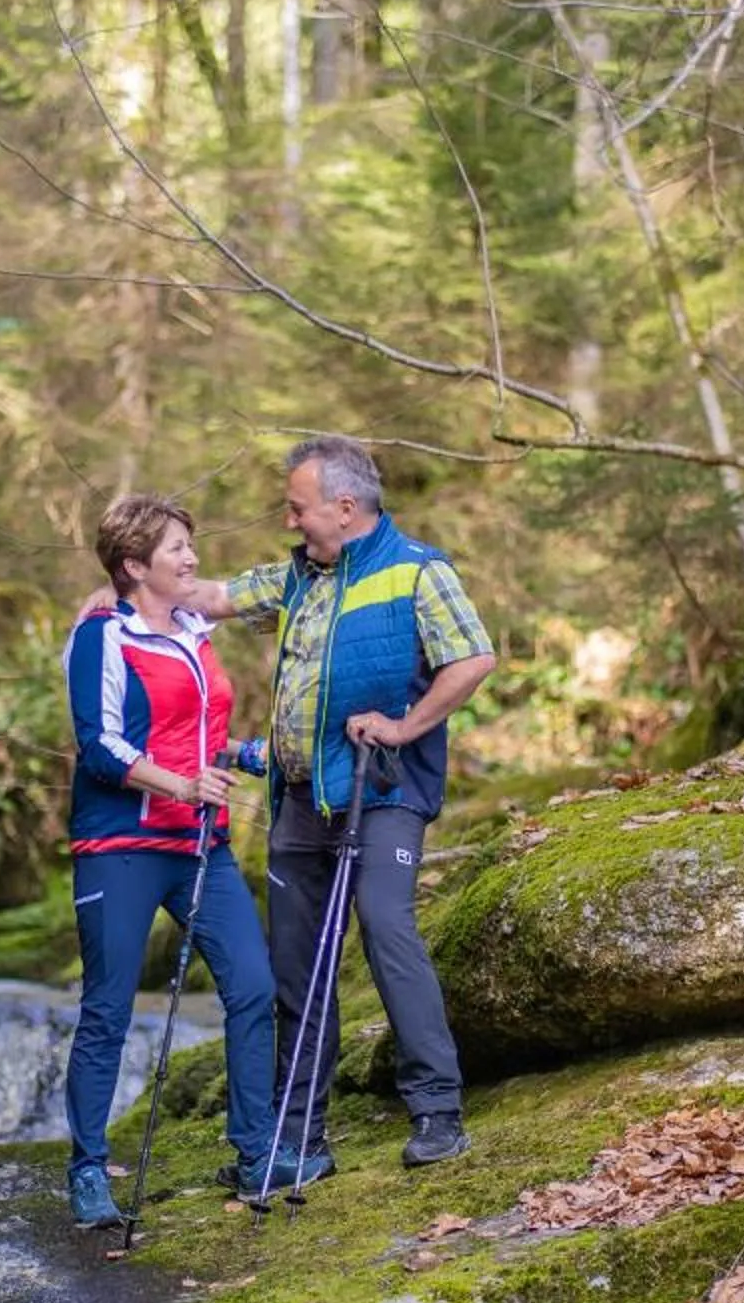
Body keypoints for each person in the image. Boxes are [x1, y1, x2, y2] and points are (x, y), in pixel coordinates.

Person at [194, 434, 495, 1172]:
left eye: (298, 508)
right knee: (296, 967)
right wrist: (123, 595)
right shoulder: (297, 578)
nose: (290, 520)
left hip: (381, 787)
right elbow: (214, 598)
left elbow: (473, 657)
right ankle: (298, 1141)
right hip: (301, 799)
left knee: (386, 928)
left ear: (345, 506)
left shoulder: (417, 571)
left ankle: (437, 1112)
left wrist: (404, 726)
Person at [61, 491, 275, 1230]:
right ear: (133, 565)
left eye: (190, 544)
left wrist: (246, 755)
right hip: (120, 848)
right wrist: (181, 785)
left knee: (253, 986)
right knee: (108, 1009)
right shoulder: (101, 636)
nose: (192, 557)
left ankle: (255, 1152)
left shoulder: (192, 631)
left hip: (199, 845)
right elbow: (100, 745)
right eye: (177, 548)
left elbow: (195, 732)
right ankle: (88, 1171)